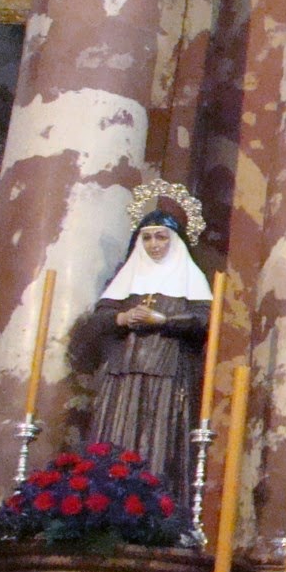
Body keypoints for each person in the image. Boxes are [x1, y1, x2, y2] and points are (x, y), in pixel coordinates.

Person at [85, 209, 212, 512]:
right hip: (122, 375)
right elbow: (98, 320)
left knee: (159, 442)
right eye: (147, 238)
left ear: (175, 241)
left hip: (169, 374)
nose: (154, 244)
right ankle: (104, 508)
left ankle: (156, 512)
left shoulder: (191, 278)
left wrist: (163, 320)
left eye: (161, 237)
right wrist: (122, 317)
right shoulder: (127, 277)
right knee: (115, 436)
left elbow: (205, 321)